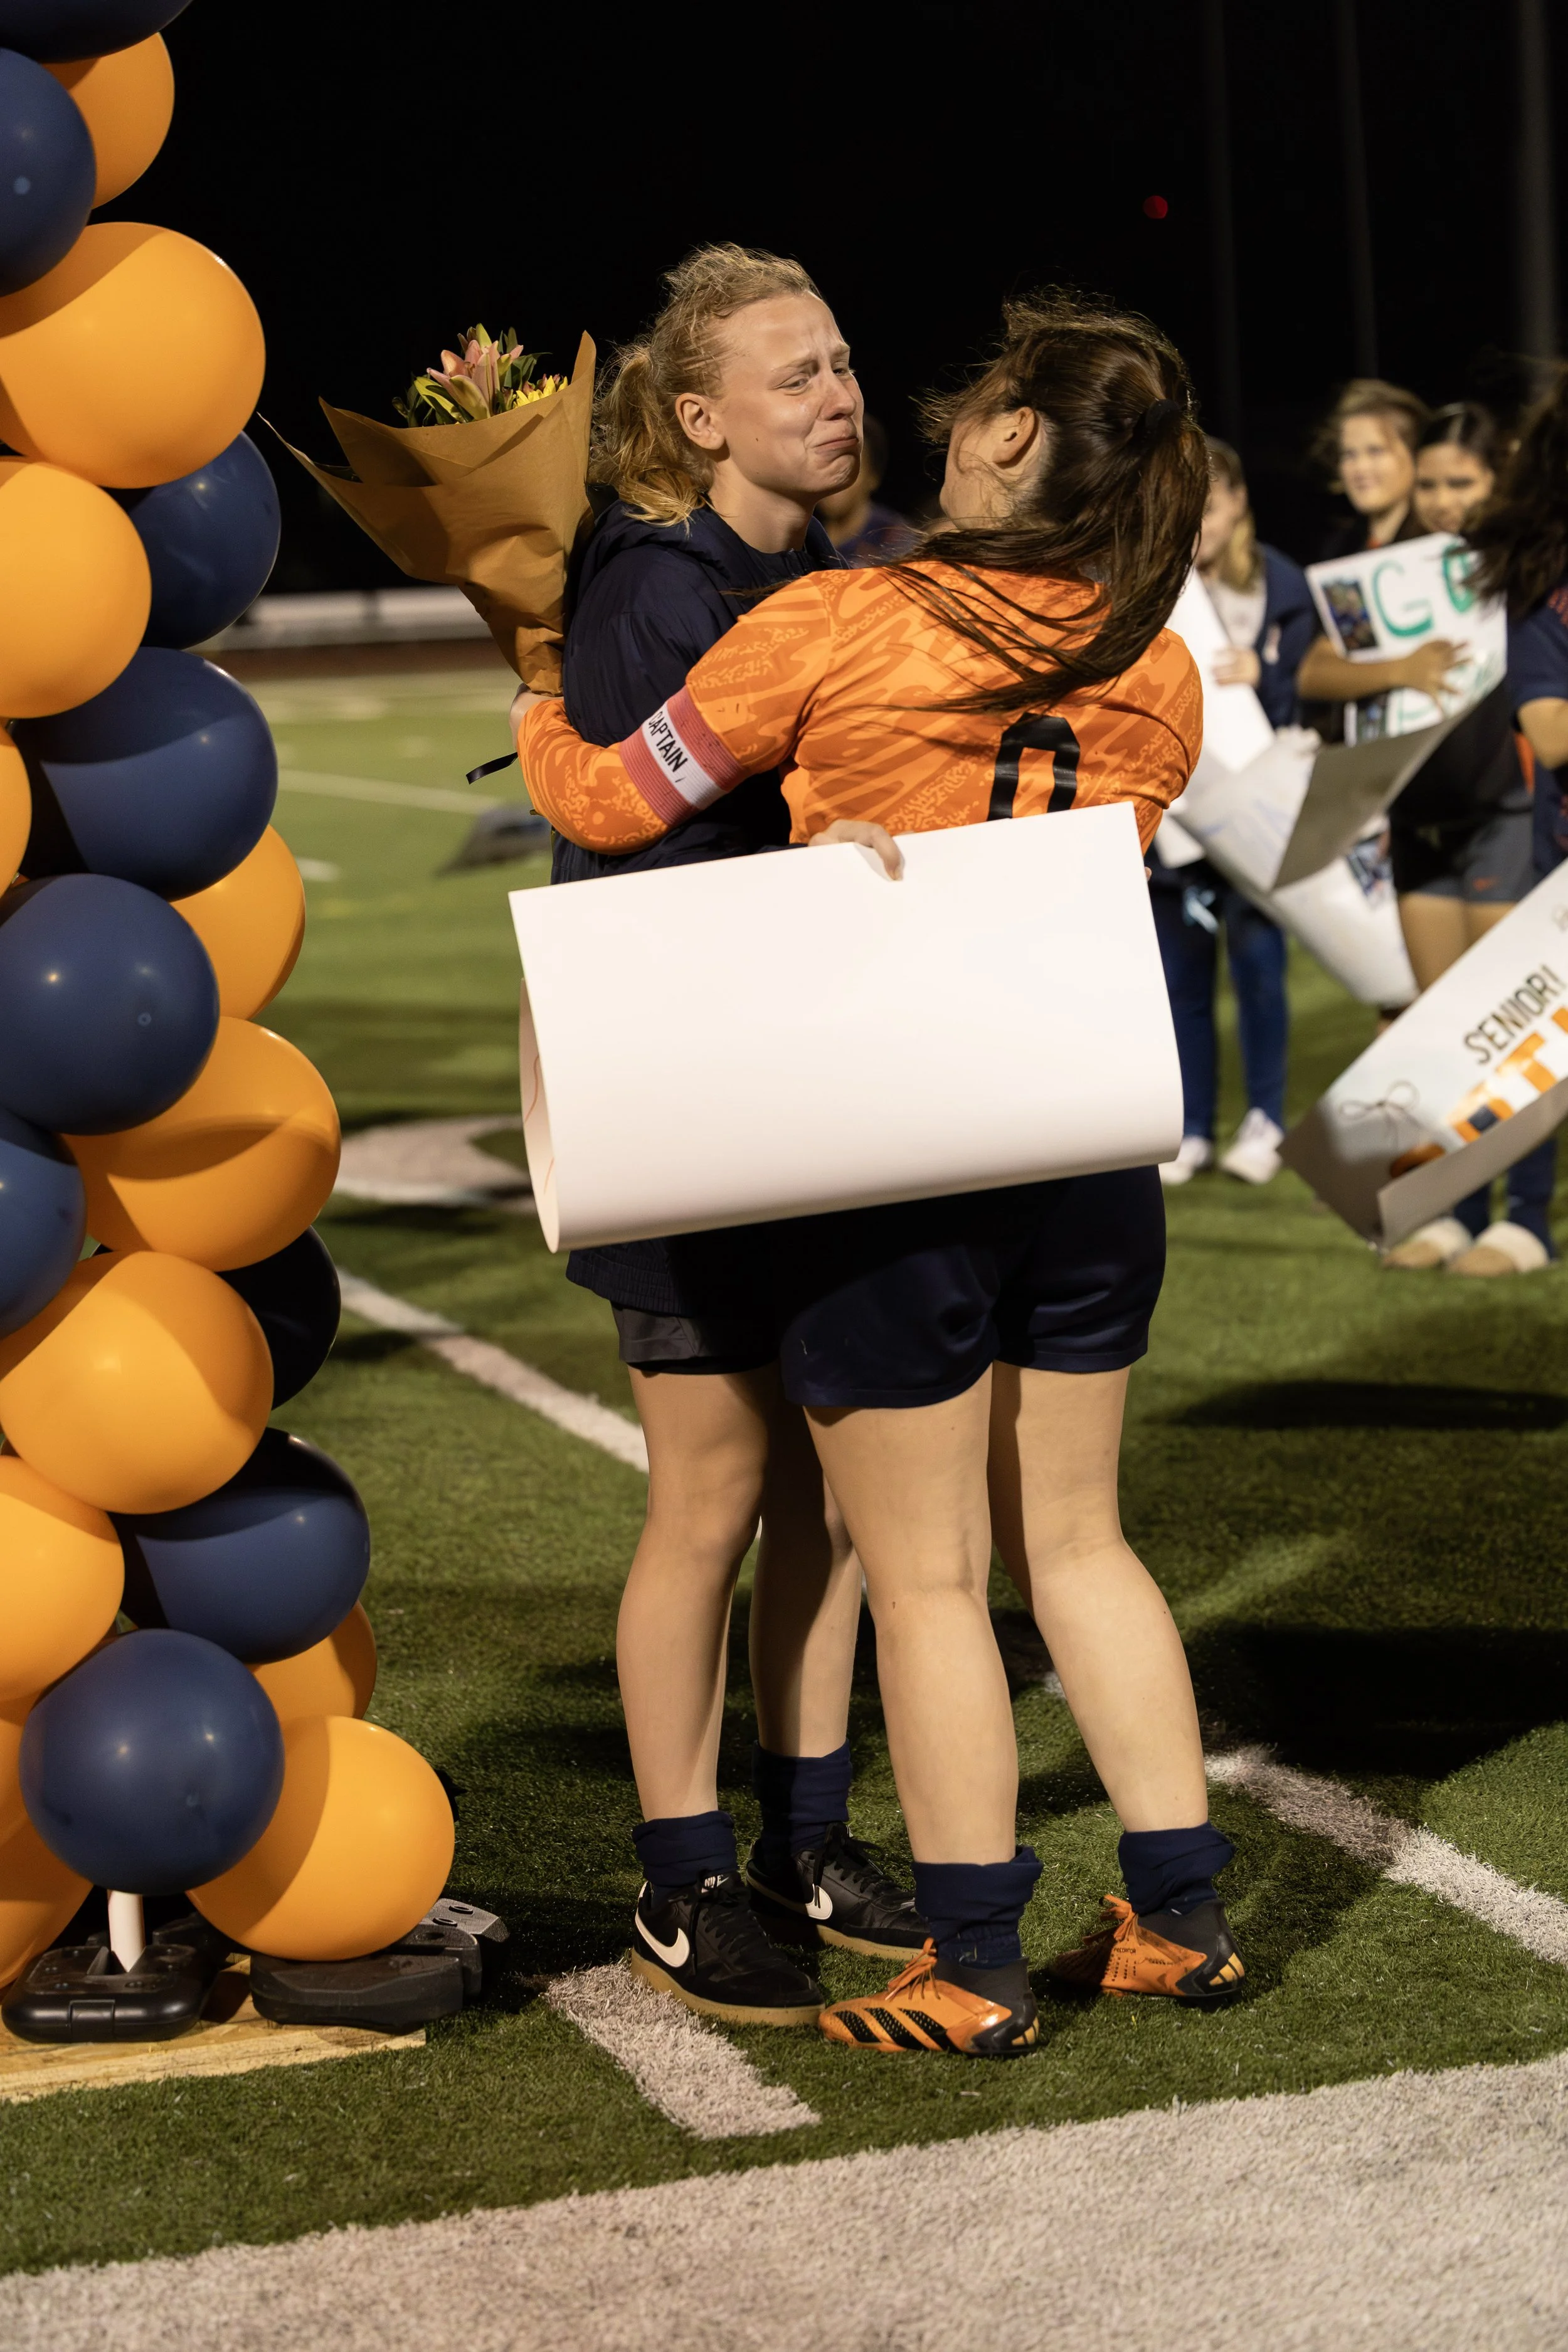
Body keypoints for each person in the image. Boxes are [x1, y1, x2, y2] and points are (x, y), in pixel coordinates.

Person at [517, 292, 1244, 2058]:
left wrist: (535, 689)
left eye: (977, 396)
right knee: (1080, 1540)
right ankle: (1180, 1915)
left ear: (1012, 439)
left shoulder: (843, 617)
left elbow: (612, 802)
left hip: (901, 1154)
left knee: (920, 1579)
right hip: (1082, 1145)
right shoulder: (1159, 666)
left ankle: (974, 1962)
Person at [556, 246, 930, 2032]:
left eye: (842, 361)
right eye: (796, 375)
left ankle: (806, 1834)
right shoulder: (653, 585)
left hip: (822, 1093)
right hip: (693, 1095)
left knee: (830, 1500)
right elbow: (647, 859)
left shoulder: (835, 577)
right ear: (699, 419)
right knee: (710, 1493)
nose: (838, 395)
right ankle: (683, 1869)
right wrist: (815, 852)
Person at [1380, 401, 1555, 1277]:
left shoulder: (1523, 565)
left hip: (1504, 812)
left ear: (1501, 477)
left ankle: (1524, 1220)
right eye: (1432, 483)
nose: (1445, 500)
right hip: (1418, 820)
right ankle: (1452, 1212)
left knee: (1508, 1026)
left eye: (1464, 482)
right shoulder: (1393, 570)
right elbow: (1323, 674)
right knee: (1441, 1025)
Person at [1152, 437, 1316, 1187]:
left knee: (1259, 970)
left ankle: (1265, 1119)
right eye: (1184, 508)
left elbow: (1316, 686)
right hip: (1177, 816)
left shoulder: (1279, 581)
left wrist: (1269, 673)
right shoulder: (1149, 578)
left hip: (1257, 813)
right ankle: (1191, 1126)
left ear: (1239, 502)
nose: (1199, 525)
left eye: (1210, 507)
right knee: (1183, 980)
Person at [1296, 379, 1466, 737]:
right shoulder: (1344, 551)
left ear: (1415, 456)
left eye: (1376, 451)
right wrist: (1402, 670)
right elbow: (1316, 673)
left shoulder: (1441, 548)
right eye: (1349, 454)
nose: (1359, 468)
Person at [814, 414, 918, 565]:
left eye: (847, 468)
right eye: (826, 467)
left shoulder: (895, 540)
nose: (835, 481)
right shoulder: (801, 540)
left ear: (873, 477)